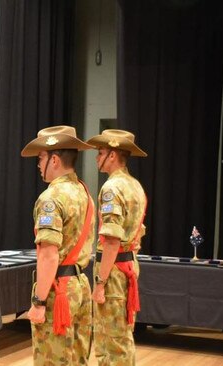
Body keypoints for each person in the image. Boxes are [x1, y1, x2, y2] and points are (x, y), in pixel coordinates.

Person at [22, 126, 95, 365]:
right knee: (77, 358)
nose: (38, 163)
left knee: (52, 359)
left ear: (54, 159)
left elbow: (49, 255)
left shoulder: (51, 198)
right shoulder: (84, 191)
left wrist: (39, 301)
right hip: (81, 285)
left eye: (41, 157)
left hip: (59, 290)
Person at [86, 129, 148, 366]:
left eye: (100, 152)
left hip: (113, 269)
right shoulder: (135, 185)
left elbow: (111, 240)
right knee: (122, 335)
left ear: (112, 155)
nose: (96, 157)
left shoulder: (112, 188)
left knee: (110, 340)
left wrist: (100, 283)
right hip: (128, 263)